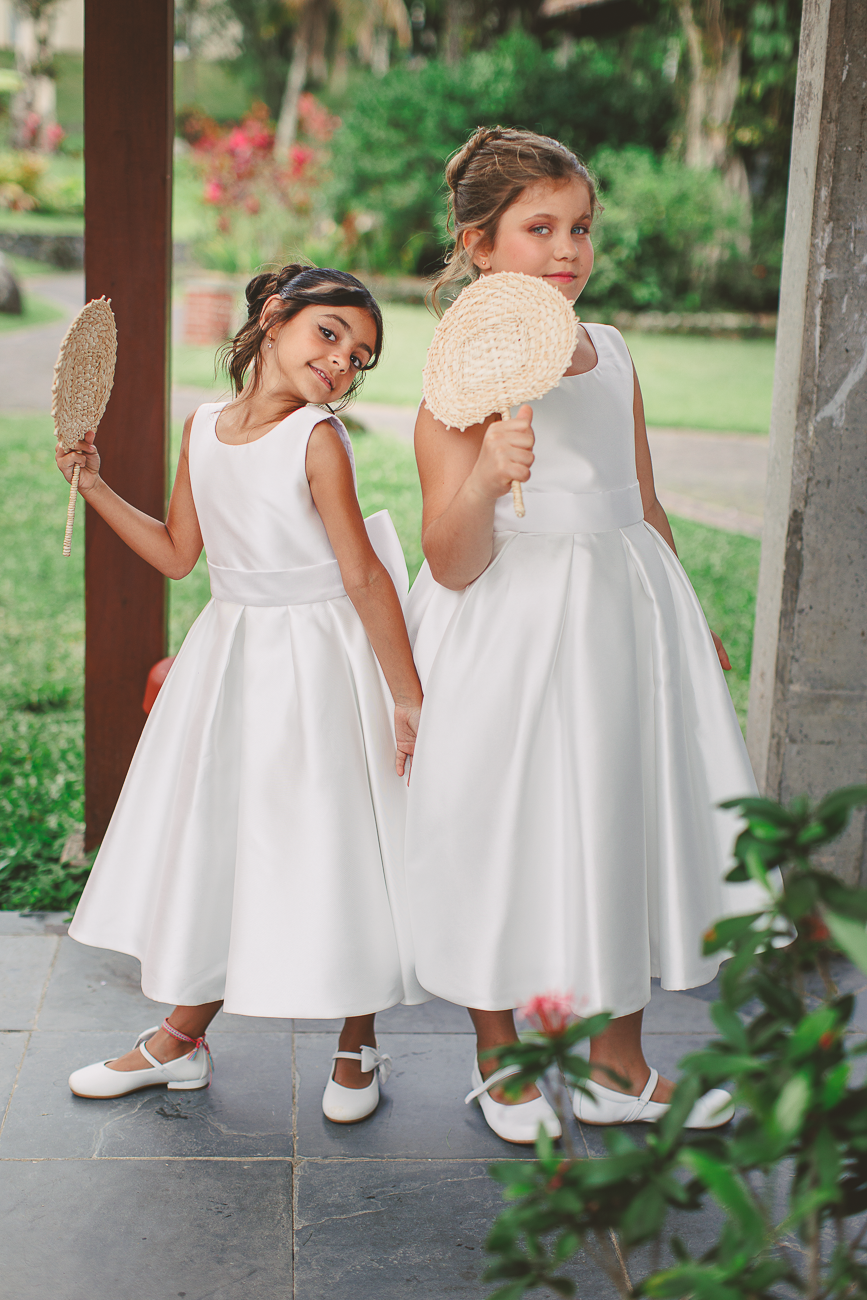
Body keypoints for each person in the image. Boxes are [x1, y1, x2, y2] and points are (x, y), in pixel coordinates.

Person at [405, 127, 769, 1144]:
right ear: (481, 246)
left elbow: (644, 501)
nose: (567, 248)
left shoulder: (611, 352)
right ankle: (500, 1054)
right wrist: (485, 473)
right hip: (511, 632)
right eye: (539, 228)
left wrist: (686, 617)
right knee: (502, 827)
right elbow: (452, 557)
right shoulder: (456, 392)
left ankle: (618, 1063)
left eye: (581, 227)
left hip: (621, 619)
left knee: (617, 819)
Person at [57, 264, 426, 1124]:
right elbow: (180, 554)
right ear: (273, 318)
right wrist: (95, 484)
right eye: (328, 334)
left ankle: (356, 1036)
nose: (340, 363)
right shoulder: (203, 427)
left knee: (337, 838)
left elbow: (362, 574)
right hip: (235, 654)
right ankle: (182, 1040)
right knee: (227, 838)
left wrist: (404, 695)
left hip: (320, 654)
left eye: (360, 356)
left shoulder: (318, 439)